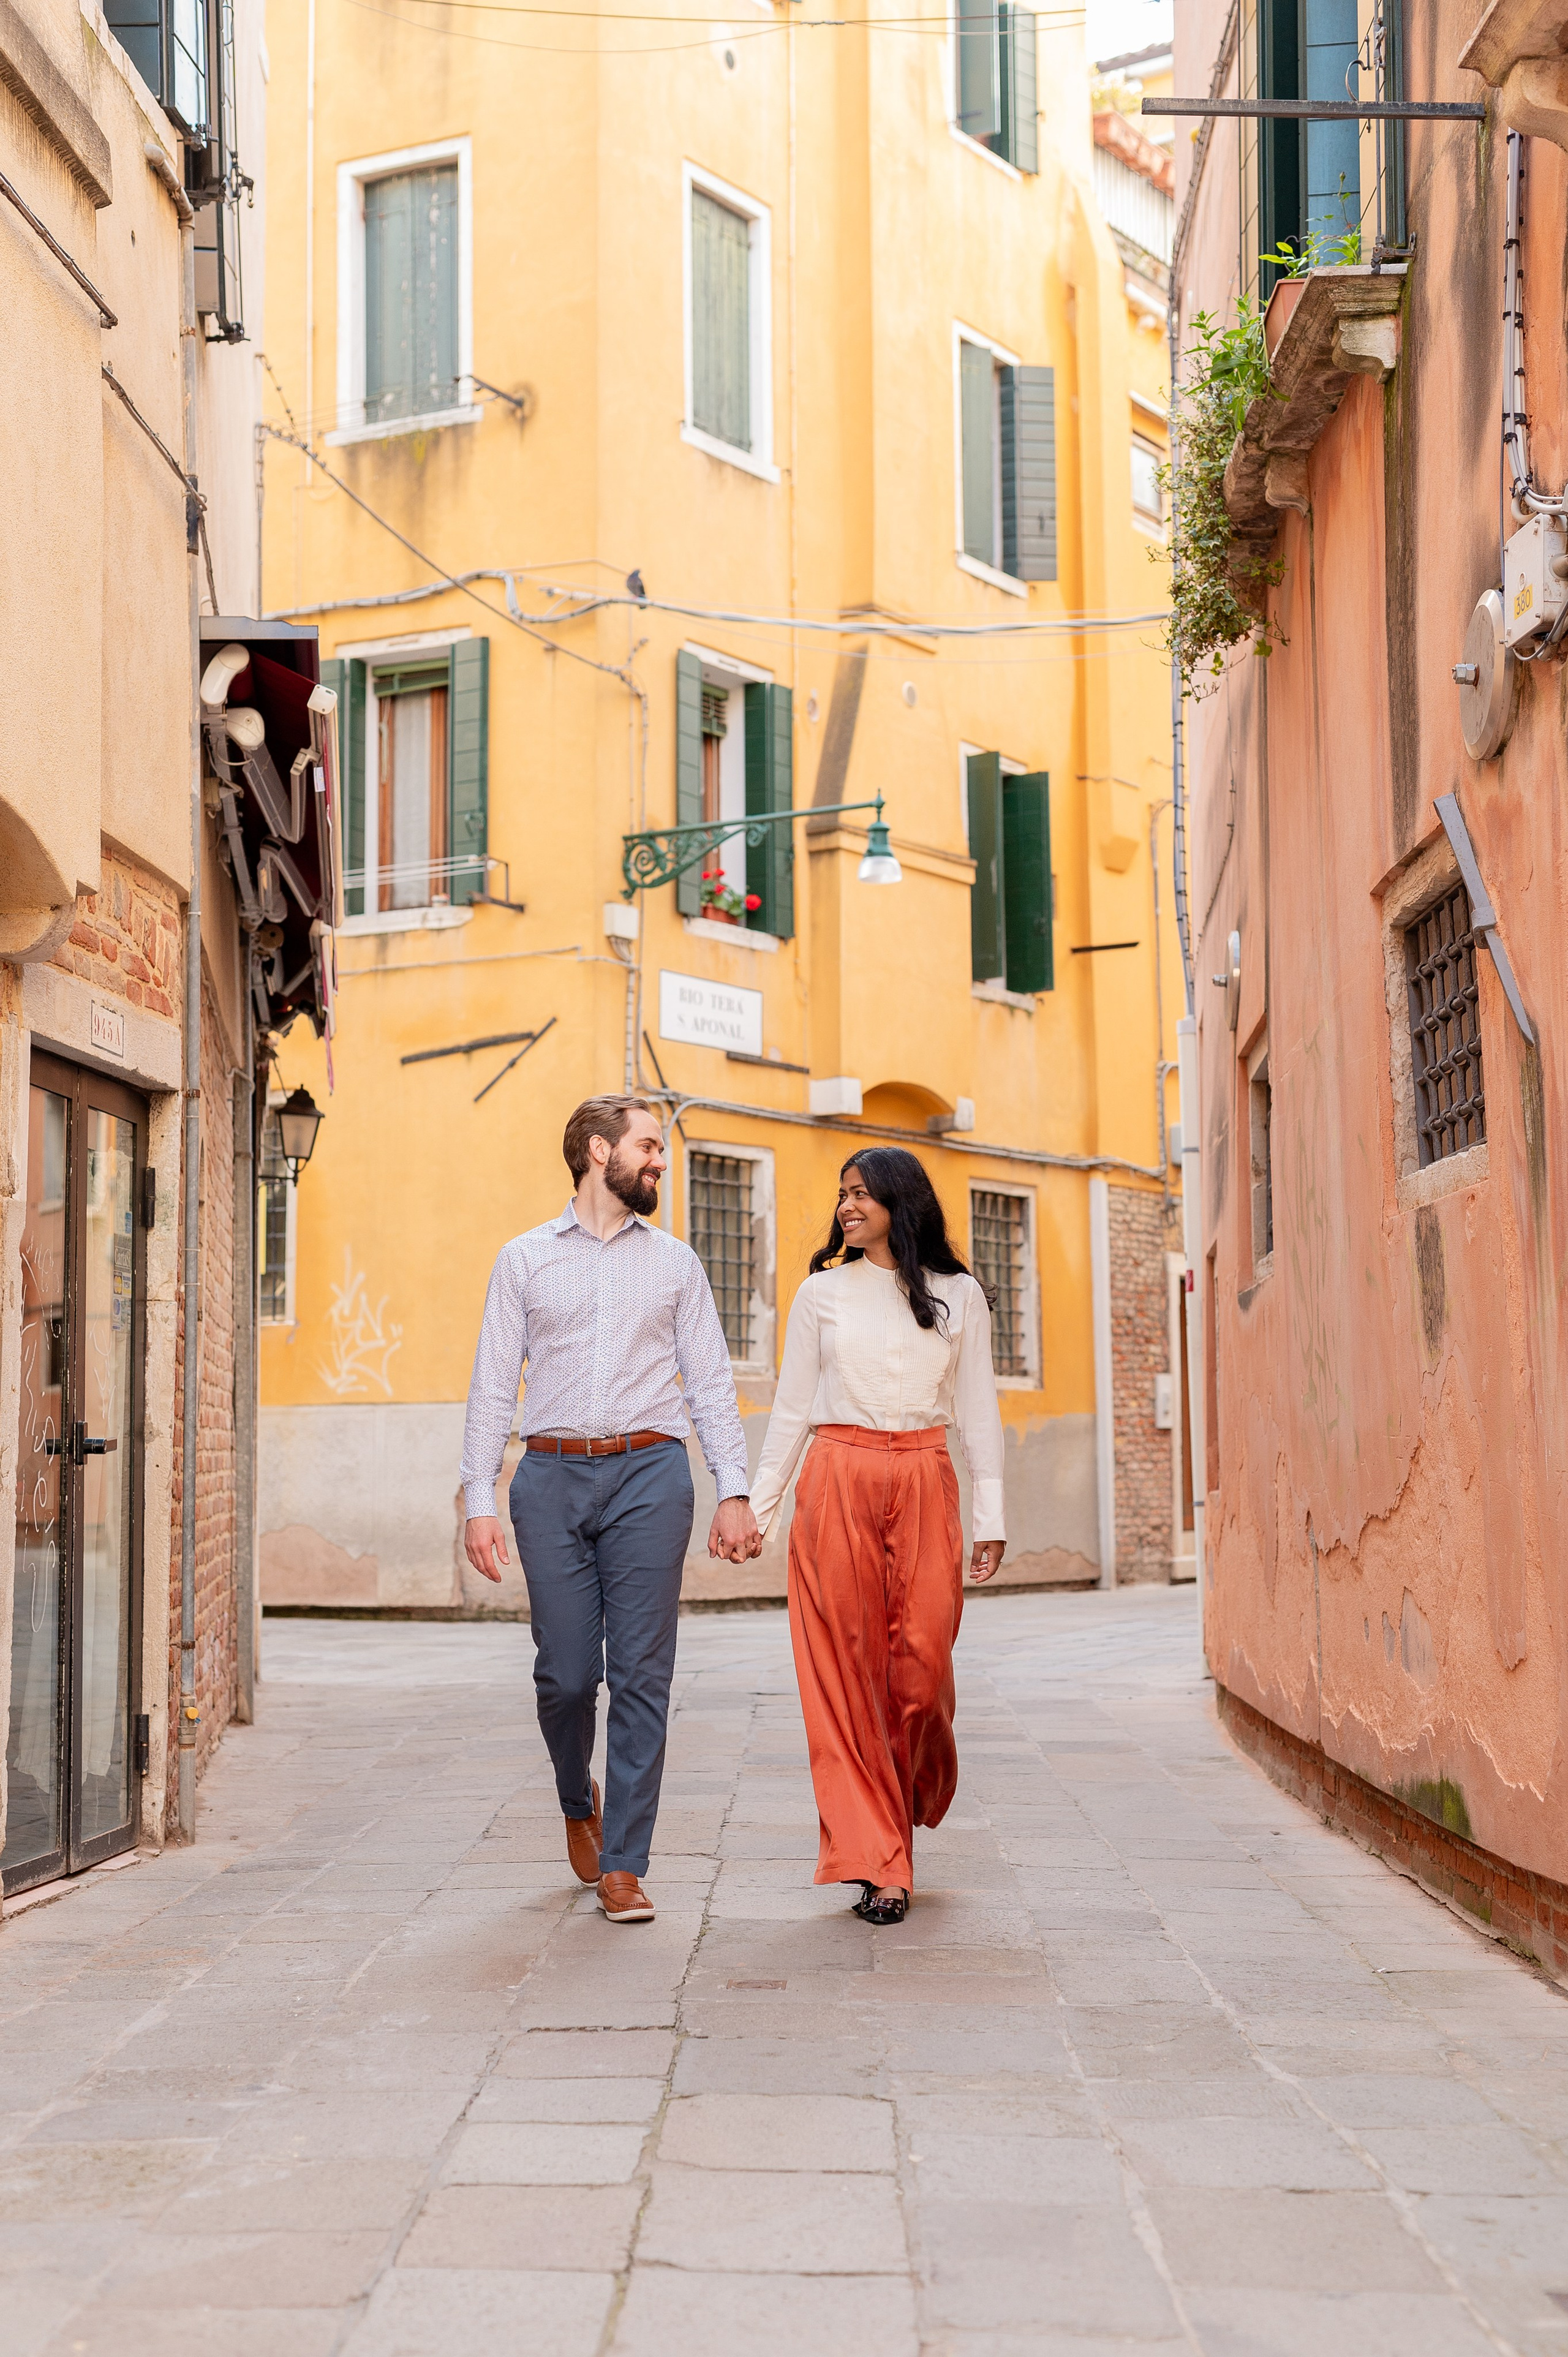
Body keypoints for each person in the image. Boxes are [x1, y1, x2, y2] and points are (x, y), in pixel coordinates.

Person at [461, 1096, 761, 1925]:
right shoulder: (523, 1260)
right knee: (564, 1674)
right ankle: (574, 1796)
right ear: (599, 1152)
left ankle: (626, 1862)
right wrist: (478, 1498)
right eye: (648, 1146)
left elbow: (708, 1385)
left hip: (650, 1476)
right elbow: (493, 1383)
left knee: (641, 1674)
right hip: (550, 1475)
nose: (660, 1161)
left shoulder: (677, 1266)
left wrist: (734, 1489)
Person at [749, 1147, 1005, 1926]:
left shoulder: (959, 1296)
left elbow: (979, 1410)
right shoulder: (820, 1293)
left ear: (901, 1200)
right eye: (842, 1194)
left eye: (861, 1193)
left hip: (926, 1478)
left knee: (921, 1671)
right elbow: (792, 1409)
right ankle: (880, 1860)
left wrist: (990, 1516)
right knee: (846, 1677)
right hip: (838, 1477)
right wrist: (756, 1511)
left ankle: (915, 1785)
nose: (847, 1206)